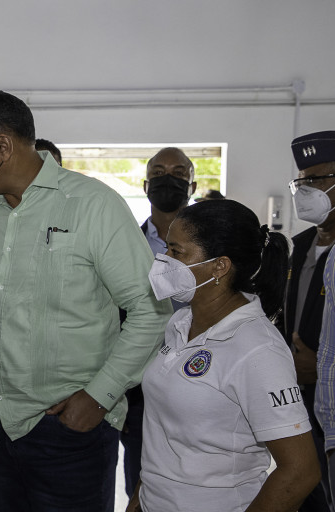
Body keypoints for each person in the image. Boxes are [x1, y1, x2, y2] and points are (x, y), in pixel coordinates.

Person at [0, 90, 172, 512]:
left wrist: (99, 396)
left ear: (3, 145)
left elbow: (151, 309)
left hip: (68, 429)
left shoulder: (92, 205)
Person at [127, 199, 321, 512]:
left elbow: (300, 472)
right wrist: (142, 493)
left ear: (220, 266)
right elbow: (163, 429)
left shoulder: (258, 350)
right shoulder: (181, 322)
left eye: (176, 252)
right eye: (165, 249)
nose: (162, 261)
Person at [281, 130, 335, 511]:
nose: (304, 191)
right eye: (300, 182)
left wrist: (328, 365)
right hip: (298, 407)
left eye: (315, 180)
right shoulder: (300, 246)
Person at [116, 147, 198, 500]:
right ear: (145, 185)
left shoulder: (211, 243)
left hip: (200, 378)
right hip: (140, 384)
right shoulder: (124, 243)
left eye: (179, 173)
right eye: (159, 172)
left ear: (192, 186)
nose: (168, 179)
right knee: (140, 484)